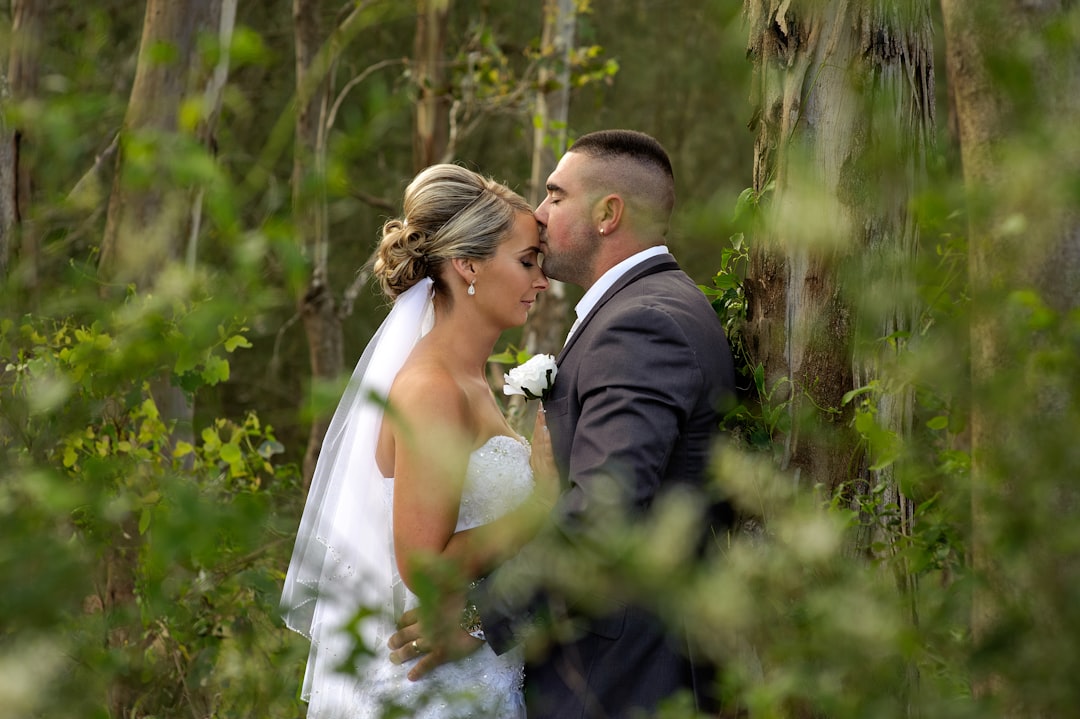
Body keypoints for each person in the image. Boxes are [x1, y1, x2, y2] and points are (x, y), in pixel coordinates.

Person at [389, 130, 737, 717]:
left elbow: (603, 514)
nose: (540, 215)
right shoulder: (649, 310)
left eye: (555, 196)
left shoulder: (641, 326)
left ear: (608, 213)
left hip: (624, 682)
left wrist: (479, 619)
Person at [280, 163, 557, 719]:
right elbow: (424, 568)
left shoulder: (470, 380)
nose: (542, 281)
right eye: (527, 261)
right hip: (436, 692)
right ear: (468, 265)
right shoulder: (431, 390)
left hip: (475, 671)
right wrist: (541, 501)